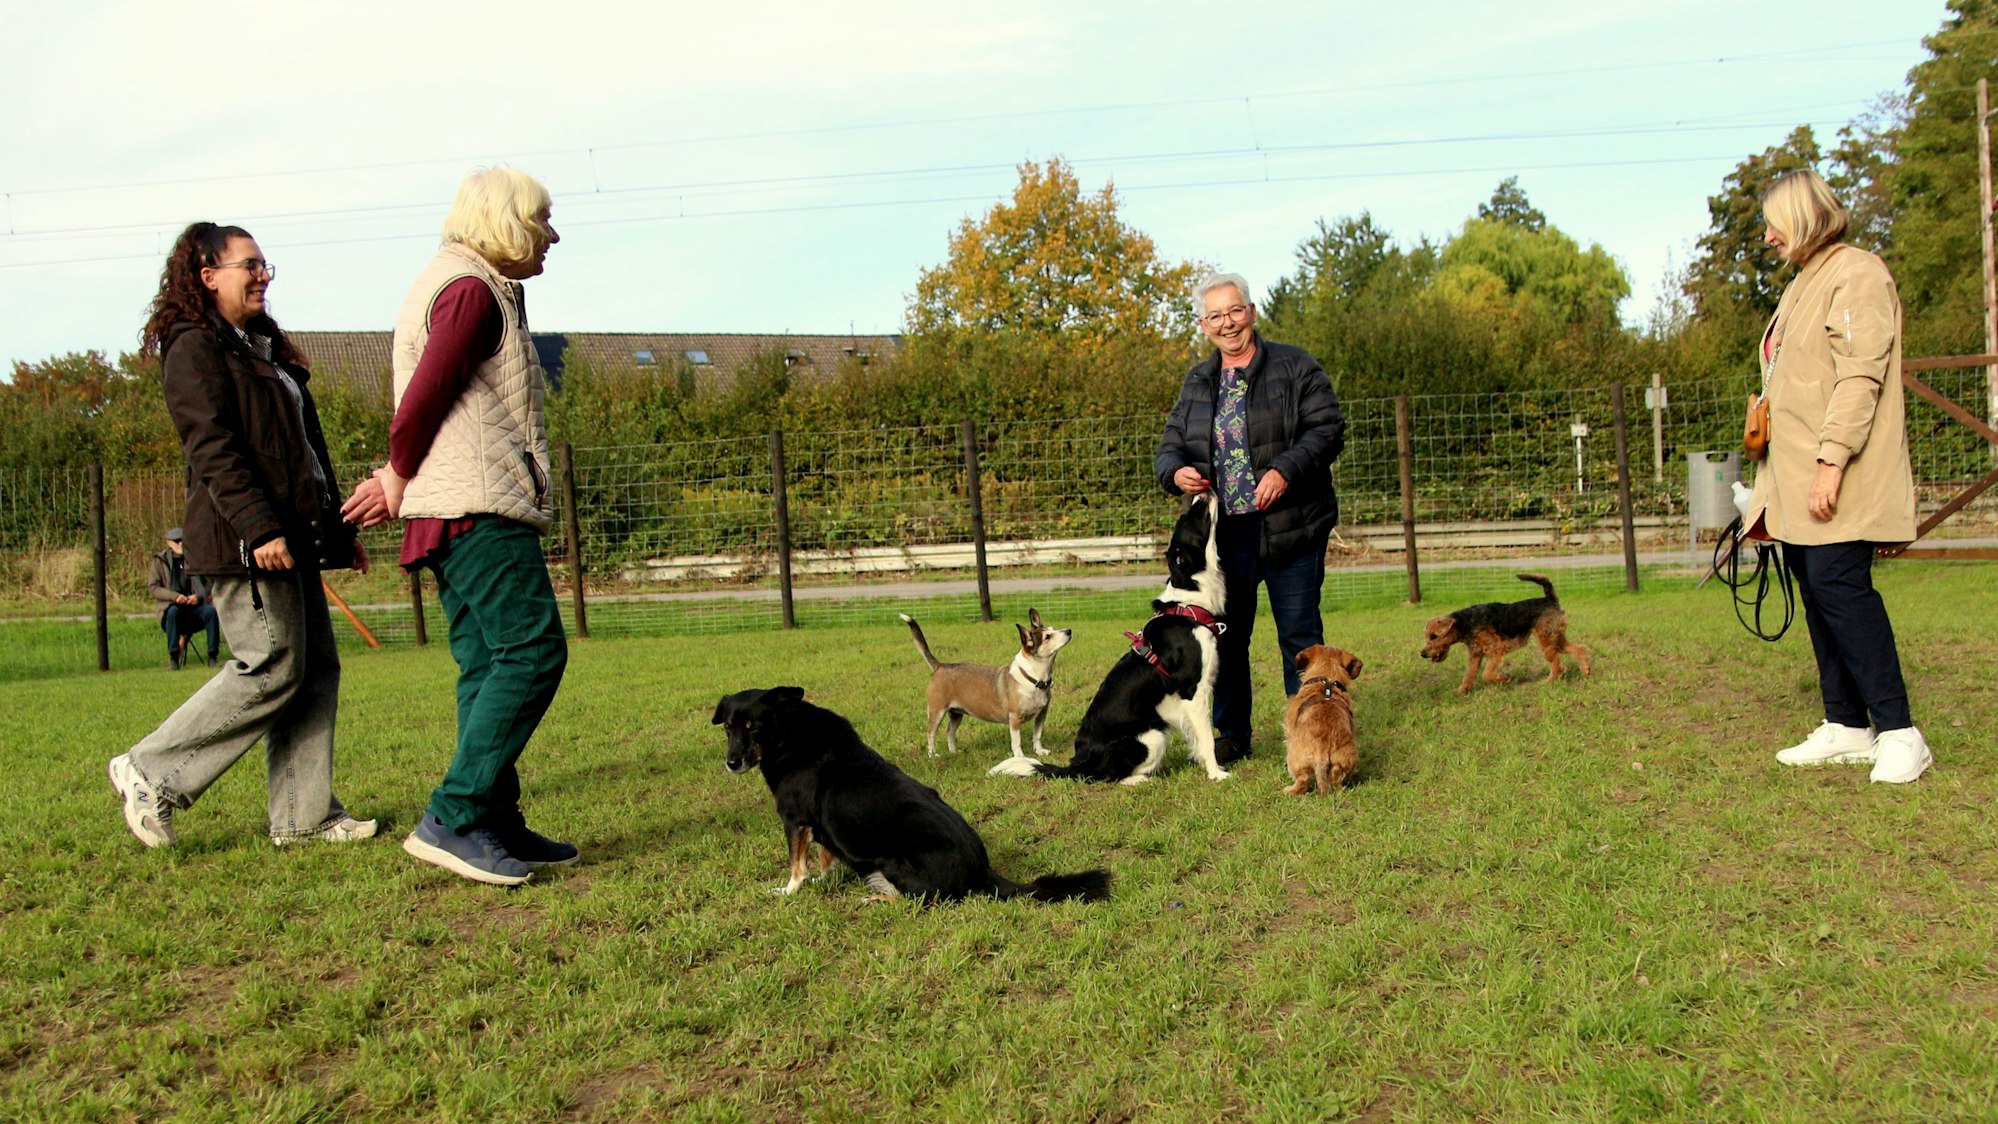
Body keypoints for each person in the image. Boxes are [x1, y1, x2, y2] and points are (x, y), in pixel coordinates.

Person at [109, 222, 378, 848]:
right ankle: (151, 769)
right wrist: (258, 527)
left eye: (265, 266)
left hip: (291, 535)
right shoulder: (192, 348)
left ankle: (304, 817)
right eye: (248, 265)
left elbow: (301, 454)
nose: (262, 276)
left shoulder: (256, 346)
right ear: (208, 276)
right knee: (271, 664)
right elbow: (214, 450)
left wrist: (333, 531)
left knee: (313, 669)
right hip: (244, 538)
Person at [342, 166, 573, 886]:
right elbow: (425, 393)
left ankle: (489, 820)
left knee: (486, 660)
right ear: (503, 221)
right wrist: (395, 474)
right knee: (533, 651)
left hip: (450, 509)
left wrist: (403, 482)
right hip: (477, 505)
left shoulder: (459, 282)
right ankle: (453, 814)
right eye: (541, 221)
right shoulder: (472, 290)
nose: (552, 235)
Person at [1744, 168, 1930, 784]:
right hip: (1793, 477)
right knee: (1817, 589)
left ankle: (1900, 732)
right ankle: (1847, 724)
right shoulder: (1804, 281)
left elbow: (1859, 377)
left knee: (1842, 590)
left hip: (1836, 473)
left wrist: (1831, 463)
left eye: (1773, 222)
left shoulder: (1857, 273)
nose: (1768, 237)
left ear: (1800, 217)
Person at [1154, 272, 1346, 764]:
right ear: (1203, 324)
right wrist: (1176, 473)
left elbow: (1327, 428)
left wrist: (1286, 468)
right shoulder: (1198, 381)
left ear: (1252, 312)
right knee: (1229, 640)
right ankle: (1232, 735)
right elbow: (1169, 444)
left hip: (1292, 526)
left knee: (1300, 637)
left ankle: (1309, 736)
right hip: (1225, 537)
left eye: (1235, 311)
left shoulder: (1295, 366)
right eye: (1215, 315)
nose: (1228, 323)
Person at [149, 527, 219, 669]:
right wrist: (175, 597)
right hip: (172, 608)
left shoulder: (195, 559)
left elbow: (210, 583)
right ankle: (174, 659)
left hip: (194, 607)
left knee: (211, 612)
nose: (181, 544)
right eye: (176, 541)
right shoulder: (159, 561)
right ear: (169, 543)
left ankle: (213, 657)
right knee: (173, 612)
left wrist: (198, 597)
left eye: (183, 540)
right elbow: (153, 588)